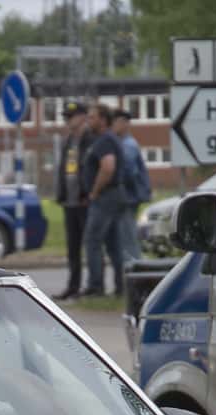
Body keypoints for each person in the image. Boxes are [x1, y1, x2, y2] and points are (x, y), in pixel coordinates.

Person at [81, 106, 127, 298]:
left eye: (92, 117)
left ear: (102, 120)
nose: (88, 121)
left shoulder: (104, 141)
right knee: (114, 243)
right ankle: (121, 286)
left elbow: (108, 167)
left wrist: (94, 191)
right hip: (115, 195)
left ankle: (95, 286)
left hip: (105, 196)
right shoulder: (109, 139)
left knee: (92, 241)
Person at [54, 103, 91, 299]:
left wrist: (87, 193)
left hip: (84, 202)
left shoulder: (89, 139)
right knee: (73, 247)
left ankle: (94, 286)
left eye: (72, 116)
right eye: (66, 117)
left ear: (83, 117)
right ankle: (73, 286)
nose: (68, 120)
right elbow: (65, 169)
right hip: (69, 201)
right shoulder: (68, 141)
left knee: (91, 245)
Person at [113, 109, 151, 271]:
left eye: (115, 122)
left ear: (124, 123)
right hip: (128, 197)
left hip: (128, 198)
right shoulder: (124, 143)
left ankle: (136, 272)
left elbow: (128, 171)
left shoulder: (128, 145)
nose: (112, 126)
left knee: (127, 237)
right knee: (126, 236)